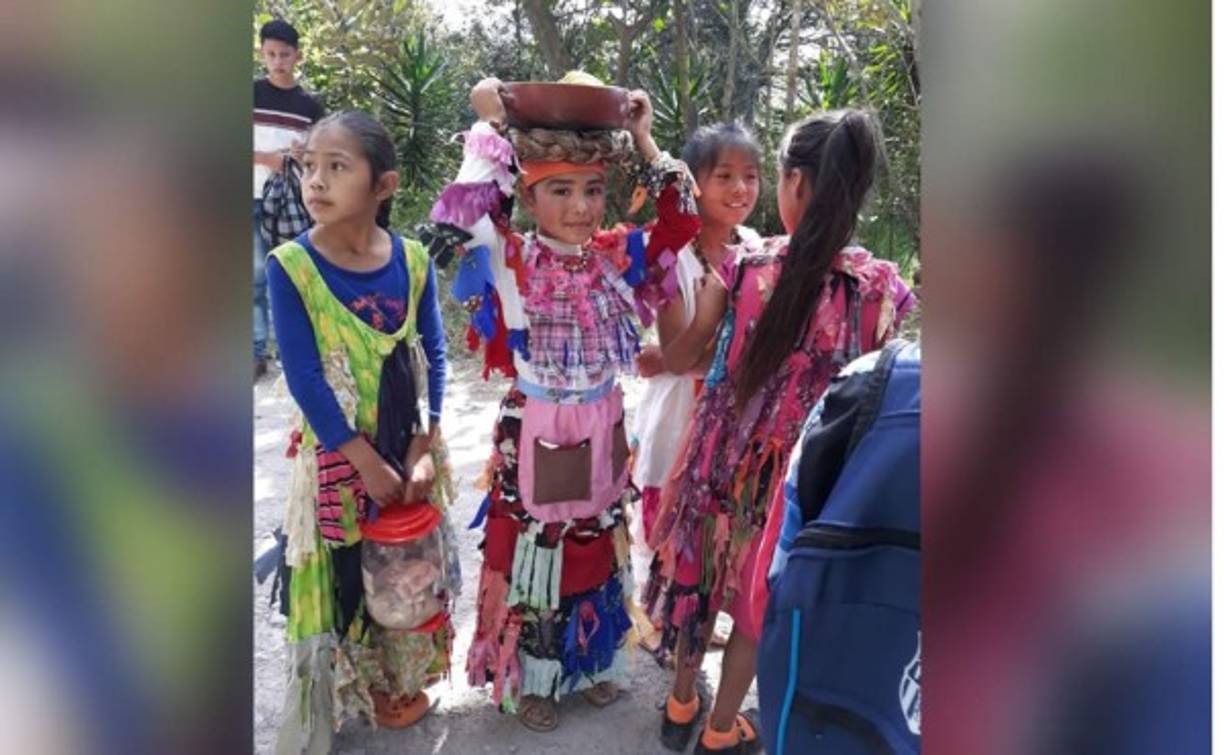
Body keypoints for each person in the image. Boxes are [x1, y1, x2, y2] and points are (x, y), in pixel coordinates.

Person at [427, 72, 702, 732]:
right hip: (539, 424)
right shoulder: (510, 257)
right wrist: (493, 122)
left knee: (599, 538)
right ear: (529, 192)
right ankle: (535, 674)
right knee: (537, 549)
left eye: (591, 189)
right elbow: (458, 216)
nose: (579, 206)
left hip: (603, 418)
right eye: (559, 189)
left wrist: (641, 133)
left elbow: (682, 217)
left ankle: (595, 662)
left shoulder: (619, 257)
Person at [643, 109, 915, 754]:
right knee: (754, 605)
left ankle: (681, 704)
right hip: (803, 480)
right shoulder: (881, 291)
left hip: (715, 464)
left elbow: (683, 357)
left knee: (699, 581)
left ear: (794, 185)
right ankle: (720, 729)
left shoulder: (743, 266)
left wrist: (658, 335)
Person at [267, 111, 457, 753]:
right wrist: (363, 461)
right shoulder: (291, 267)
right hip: (336, 458)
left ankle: (399, 684)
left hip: (408, 450)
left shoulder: (412, 260)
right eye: (308, 166)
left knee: (403, 572)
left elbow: (434, 349)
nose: (314, 181)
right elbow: (306, 381)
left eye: (336, 167)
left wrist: (425, 444)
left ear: (384, 185)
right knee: (347, 571)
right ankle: (347, 693)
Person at [632, 122, 763, 654]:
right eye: (724, 176)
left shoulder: (756, 248)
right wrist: (734, 356)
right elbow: (683, 350)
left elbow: (677, 354)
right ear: (695, 186)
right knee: (669, 512)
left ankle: (703, 607)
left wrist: (672, 357)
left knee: (718, 514)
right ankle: (665, 615)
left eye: (751, 176)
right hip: (678, 415)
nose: (740, 189)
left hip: (733, 415)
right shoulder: (668, 253)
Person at [254, 18, 325, 379]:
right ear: (261, 53)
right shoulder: (250, 92)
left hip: (291, 203)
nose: (278, 61)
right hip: (251, 194)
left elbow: (320, 153)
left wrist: (303, 155)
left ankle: (291, 351)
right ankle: (255, 352)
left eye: (284, 54)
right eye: (271, 54)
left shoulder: (310, 104)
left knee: (290, 274)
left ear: (297, 56)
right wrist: (266, 159)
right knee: (253, 277)